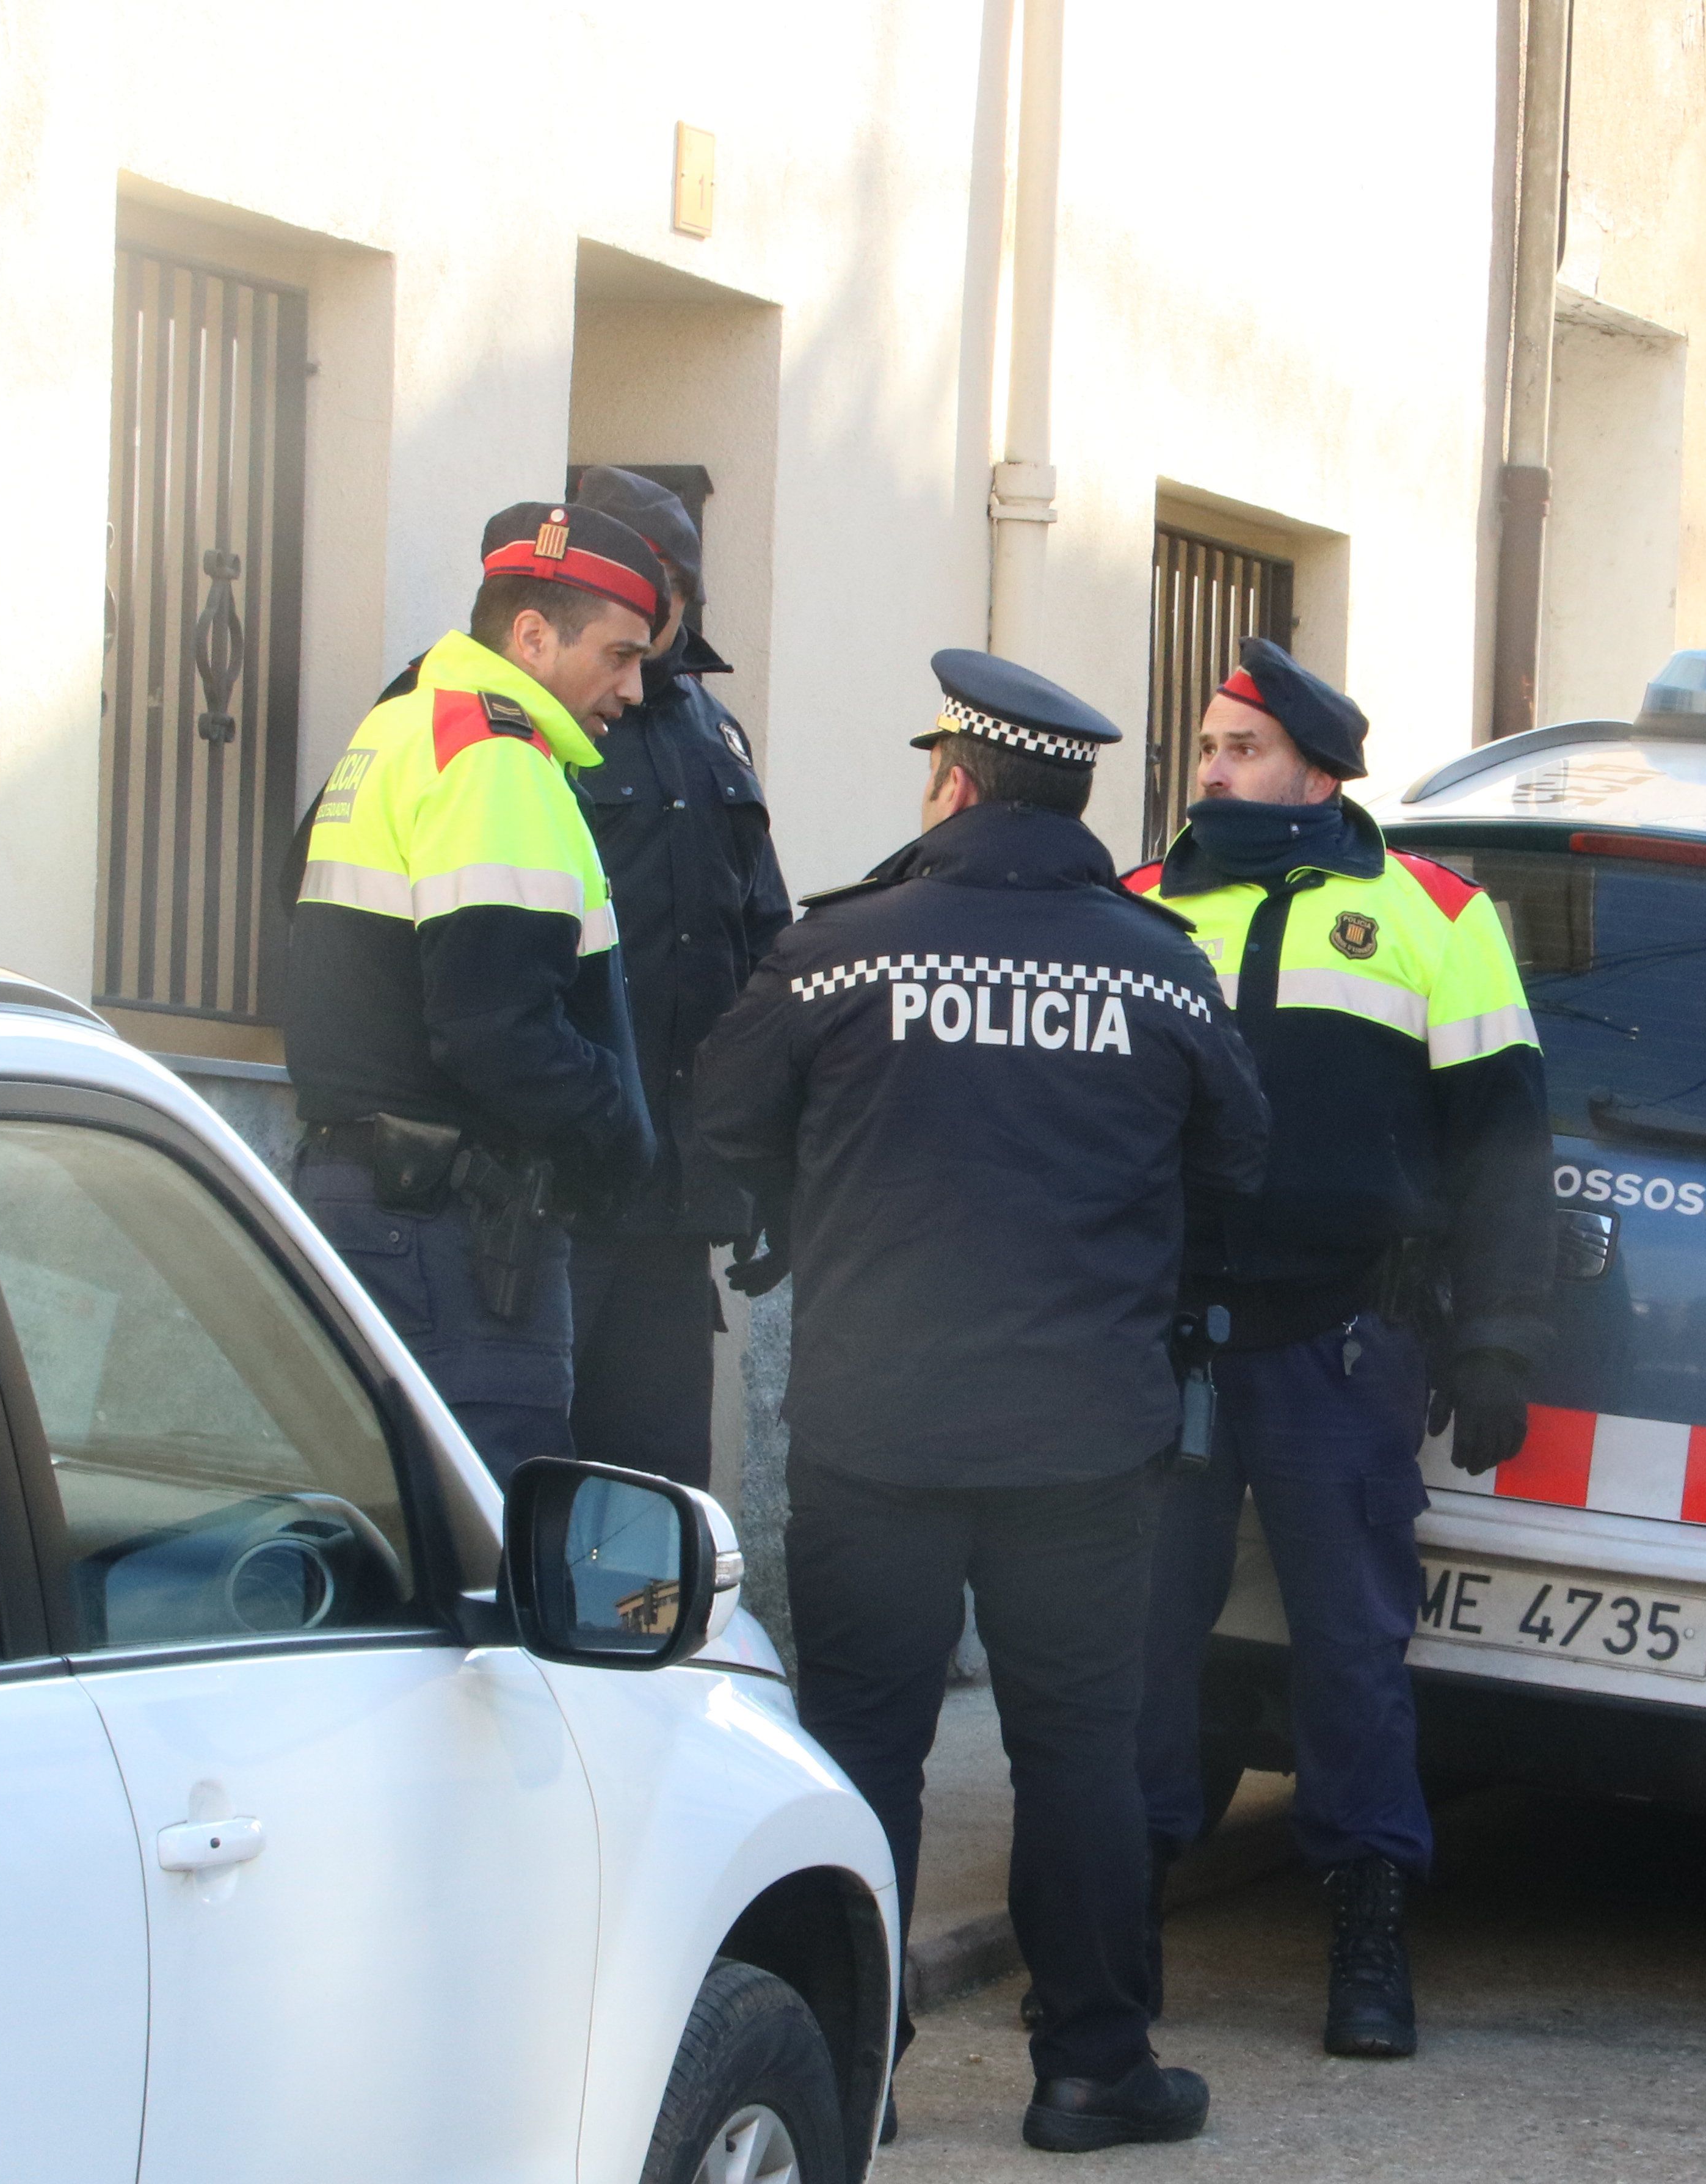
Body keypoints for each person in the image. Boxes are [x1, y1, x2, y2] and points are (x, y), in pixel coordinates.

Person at [695, 650, 1268, 2155]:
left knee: (864, 1743)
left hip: (875, 1424)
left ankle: (852, 2068)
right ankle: (1091, 2069)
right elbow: (1241, 1159)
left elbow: (722, 1122)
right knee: (1078, 1749)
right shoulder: (1159, 964)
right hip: (1084, 1436)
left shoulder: (837, 951)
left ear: (953, 782)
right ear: (1070, 799)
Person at [1125, 636, 1553, 2060]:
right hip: (1163, 1345)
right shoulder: (1134, 906)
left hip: (1340, 1342)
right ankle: (1111, 1922)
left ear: (1316, 769)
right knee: (1138, 1643)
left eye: (1240, 751)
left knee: (1352, 1655)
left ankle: (1367, 1933)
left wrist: (1496, 1339)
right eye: (1203, 750)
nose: (1212, 773)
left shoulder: (1435, 914)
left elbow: (1502, 1150)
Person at [285, 501, 661, 1478]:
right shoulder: (496, 760)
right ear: (532, 637)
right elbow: (498, 1029)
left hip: (370, 1205)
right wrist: (620, 1130)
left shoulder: (407, 726)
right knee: (487, 1542)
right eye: (619, 656)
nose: (633, 688)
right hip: (454, 1231)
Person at [552, 465, 793, 1489]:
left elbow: (764, 961)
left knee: (651, 1504)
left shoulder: (710, 734)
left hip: (670, 1201)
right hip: (541, 1195)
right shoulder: (499, 714)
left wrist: (772, 1163)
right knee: (521, 1492)